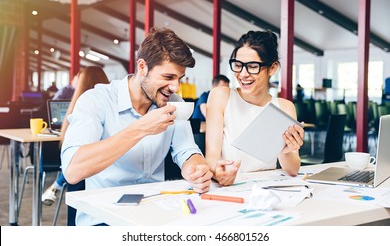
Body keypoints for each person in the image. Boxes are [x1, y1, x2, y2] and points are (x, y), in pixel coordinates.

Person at [61, 27, 213, 226]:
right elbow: (72, 171)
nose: (176, 87)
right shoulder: (96, 100)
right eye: (168, 77)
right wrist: (141, 128)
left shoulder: (173, 101)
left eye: (179, 78)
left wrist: (196, 169)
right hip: (104, 218)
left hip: (156, 214)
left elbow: (187, 151)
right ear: (142, 67)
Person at [205, 30, 304, 186]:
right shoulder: (221, 97)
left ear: (272, 68)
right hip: (229, 187)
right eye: (238, 65)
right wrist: (218, 173)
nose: (243, 74)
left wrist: (286, 151)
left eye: (252, 66)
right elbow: (211, 157)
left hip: (267, 189)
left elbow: (292, 170)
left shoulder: (284, 107)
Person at [41, 66, 110, 206]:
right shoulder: (110, 108)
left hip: (81, 177)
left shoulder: (79, 106)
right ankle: (57, 184)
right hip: (106, 177)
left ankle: (57, 184)